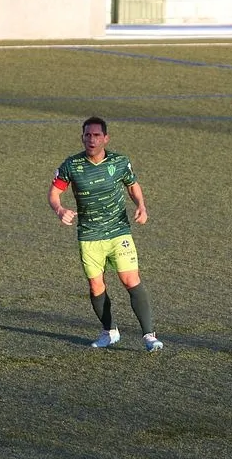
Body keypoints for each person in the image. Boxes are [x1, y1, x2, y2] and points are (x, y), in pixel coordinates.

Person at [48, 117, 163, 352]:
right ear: (82, 137)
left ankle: (149, 336)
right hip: (89, 235)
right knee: (95, 286)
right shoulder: (72, 165)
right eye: (87, 135)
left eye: (96, 135)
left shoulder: (120, 162)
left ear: (106, 138)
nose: (92, 139)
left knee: (130, 279)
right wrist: (59, 209)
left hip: (118, 230)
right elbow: (54, 194)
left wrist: (141, 205)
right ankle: (109, 331)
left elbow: (132, 185)